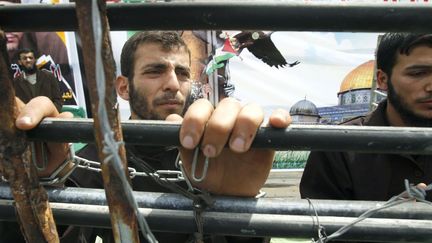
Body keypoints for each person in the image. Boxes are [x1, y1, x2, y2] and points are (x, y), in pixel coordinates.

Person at [11, 31, 291, 242]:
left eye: (181, 73)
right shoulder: (96, 162)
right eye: (155, 71)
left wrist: (239, 209)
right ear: (123, 87)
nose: (172, 84)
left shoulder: (216, 155)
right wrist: (30, 192)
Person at [300, 33, 432, 202]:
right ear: (383, 79)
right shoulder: (337, 146)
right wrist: (384, 220)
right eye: (418, 73)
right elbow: (318, 224)